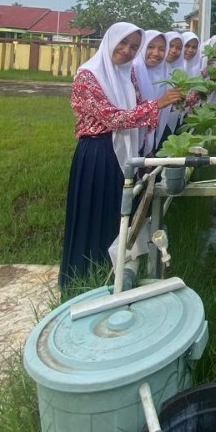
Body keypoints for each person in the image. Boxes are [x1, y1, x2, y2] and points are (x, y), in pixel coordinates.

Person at [59, 22, 181, 288]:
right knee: (95, 212)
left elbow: (137, 112)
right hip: (98, 153)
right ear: (110, 41)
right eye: (123, 43)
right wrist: (156, 105)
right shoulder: (88, 76)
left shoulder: (128, 75)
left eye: (134, 47)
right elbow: (112, 118)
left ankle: (113, 272)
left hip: (123, 153)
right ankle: (82, 276)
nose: (127, 51)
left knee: (118, 212)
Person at [132, 30, 174, 156]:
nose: (156, 53)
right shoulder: (131, 71)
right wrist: (158, 104)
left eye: (161, 49)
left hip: (154, 129)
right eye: (150, 47)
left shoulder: (165, 71)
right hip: (130, 132)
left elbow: (166, 108)